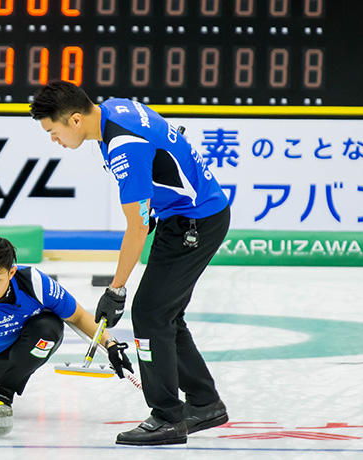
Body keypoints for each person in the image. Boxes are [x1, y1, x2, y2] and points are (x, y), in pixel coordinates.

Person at [29, 81, 231, 446]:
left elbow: (137, 227)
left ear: (75, 120)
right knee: (164, 314)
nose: (54, 140)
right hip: (188, 216)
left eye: (53, 131)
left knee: (150, 315)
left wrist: (116, 289)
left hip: (194, 223)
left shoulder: (124, 146)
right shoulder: (115, 109)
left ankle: (167, 418)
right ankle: (204, 403)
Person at [0, 234, 133, 407]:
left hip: (28, 348)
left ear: (11, 273)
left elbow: (79, 316)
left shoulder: (34, 283)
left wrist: (110, 344)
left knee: (49, 328)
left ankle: (5, 390)